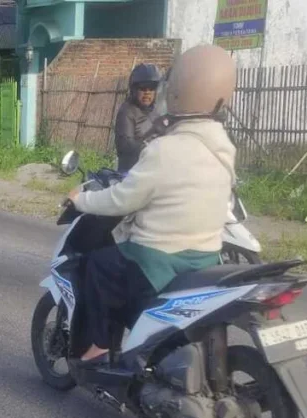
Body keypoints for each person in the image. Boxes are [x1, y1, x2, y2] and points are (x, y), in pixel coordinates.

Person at [67, 44, 237, 365]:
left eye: (152, 89)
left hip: (159, 255)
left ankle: (100, 346)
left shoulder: (166, 148)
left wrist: (83, 200)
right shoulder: (223, 147)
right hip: (206, 258)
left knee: (98, 266)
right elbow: (129, 148)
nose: (148, 94)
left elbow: (123, 198)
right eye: (143, 89)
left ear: (174, 92)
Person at [114, 63, 162, 174]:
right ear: (134, 89)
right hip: (131, 173)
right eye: (143, 87)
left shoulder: (155, 111)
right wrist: (151, 147)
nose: (147, 92)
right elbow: (125, 146)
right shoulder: (127, 111)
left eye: (151, 88)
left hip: (151, 170)